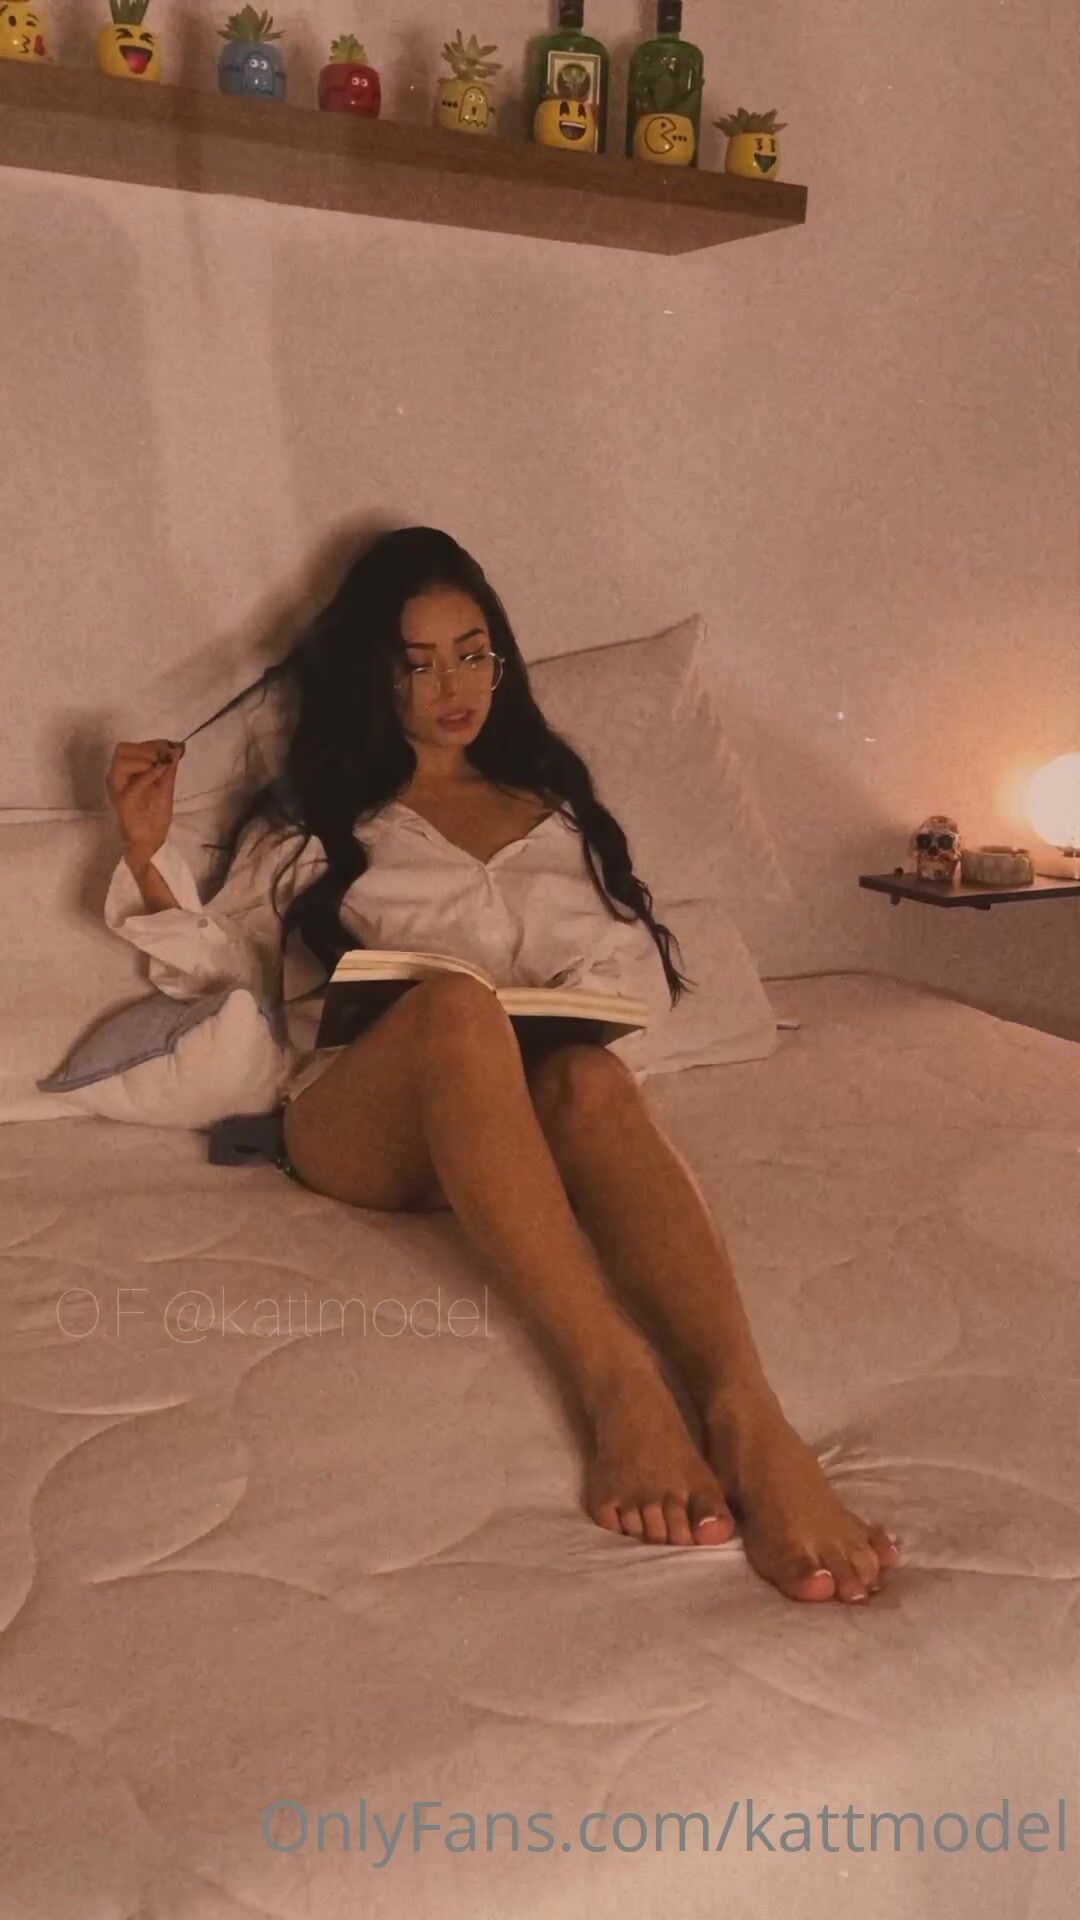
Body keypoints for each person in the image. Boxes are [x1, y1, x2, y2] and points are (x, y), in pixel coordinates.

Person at [104, 526, 900, 1605]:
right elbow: (222, 973)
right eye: (418, 663)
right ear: (375, 678)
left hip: (521, 1125)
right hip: (362, 1125)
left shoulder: (556, 812)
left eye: (473, 654)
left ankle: (748, 1415)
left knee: (592, 1078)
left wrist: (569, 1001)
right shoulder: (313, 829)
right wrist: (145, 856)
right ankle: (619, 1383)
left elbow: (631, 979)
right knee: (455, 1010)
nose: (454, 687)